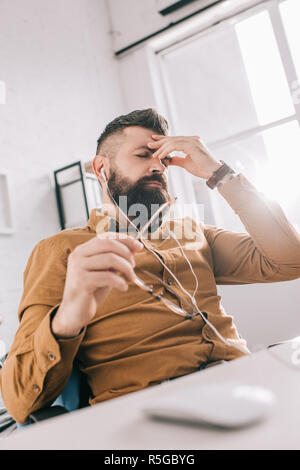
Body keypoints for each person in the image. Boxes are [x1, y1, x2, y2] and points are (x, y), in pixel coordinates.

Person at [1, 108, 300, 424]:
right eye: (144, 155)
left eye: (164, 160)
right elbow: (19, 401)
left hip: (245, 389)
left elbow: (291, 260)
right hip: (148, 418)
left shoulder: (194, 233)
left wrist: (219, 173)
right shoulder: (62, 250)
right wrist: (67, 317)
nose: (158, 166)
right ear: (102, 169)